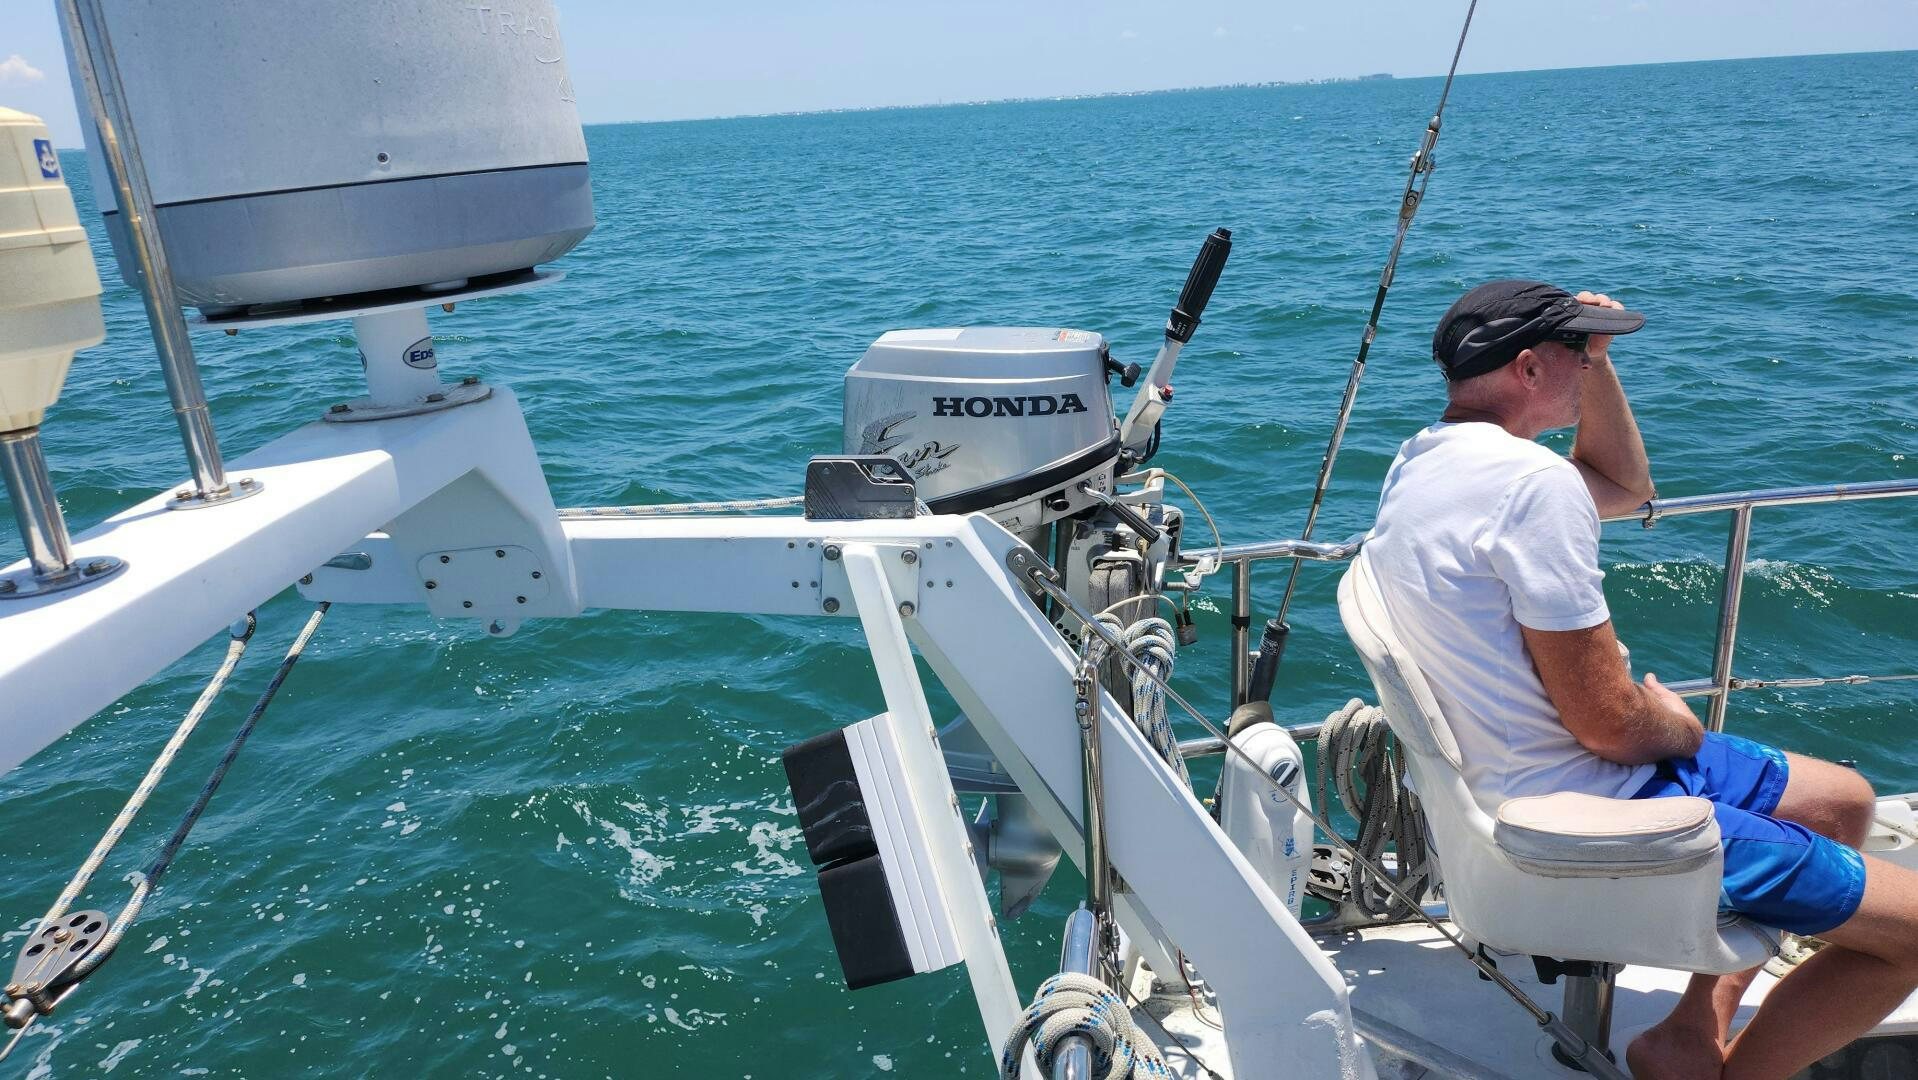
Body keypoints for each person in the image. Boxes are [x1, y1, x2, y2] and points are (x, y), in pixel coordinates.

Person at [1361, 279, 1918, 1080]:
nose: (1591, 364)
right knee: (1911, 935)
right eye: (1579, 352)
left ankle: (1690, 1031)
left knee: (1842, 803)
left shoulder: (1425, 463)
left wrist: (1600, 361)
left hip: (1520, 766)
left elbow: (1626, 488)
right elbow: (1613, 730)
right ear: (1527, 368)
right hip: (1592, 791)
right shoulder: (1531, 487)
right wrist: (1677, 724)